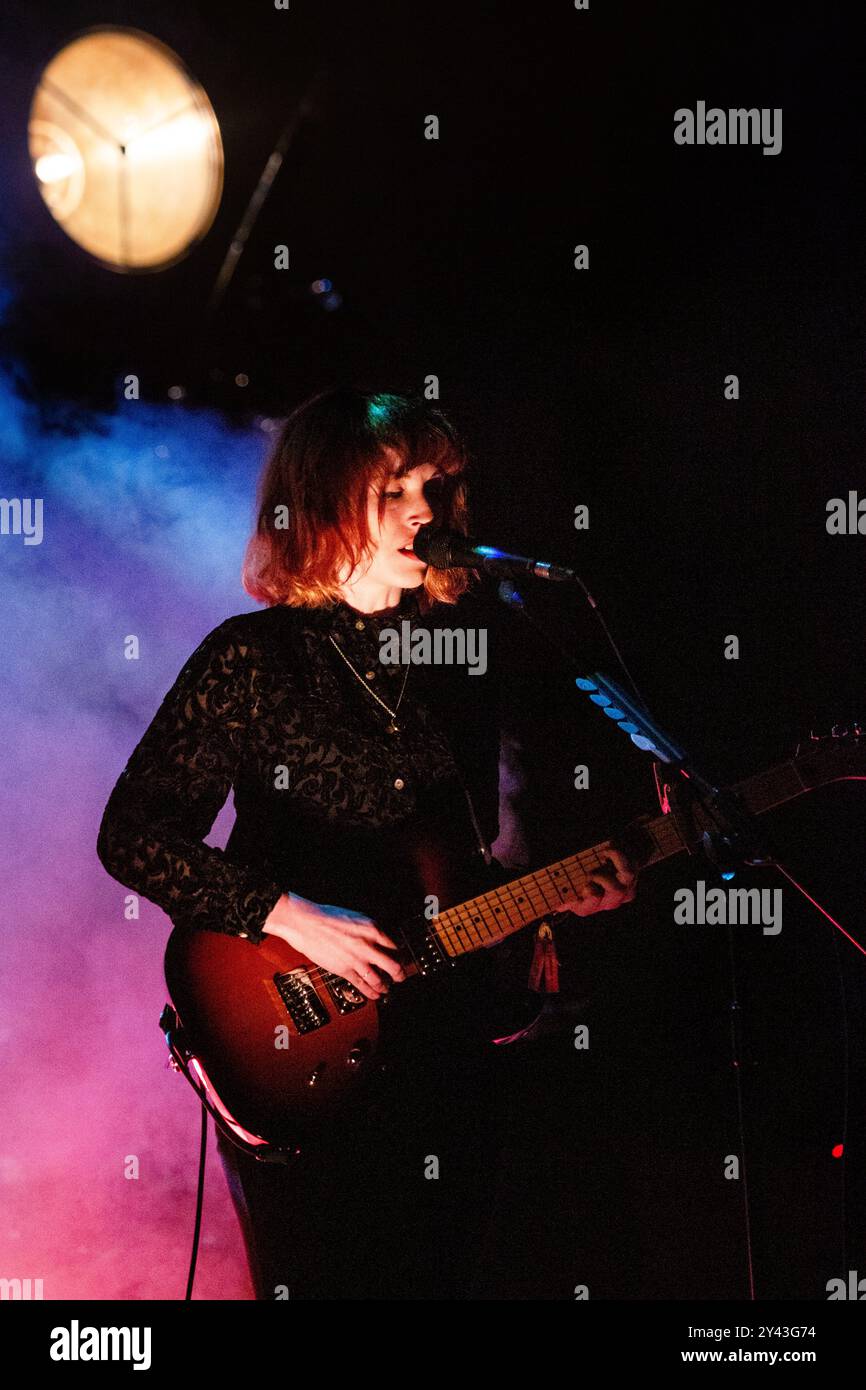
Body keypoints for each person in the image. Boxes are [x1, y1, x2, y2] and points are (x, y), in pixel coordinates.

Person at [96, 387, 638, 1299]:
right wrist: (289, 916)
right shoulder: (253, 658)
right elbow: (134, 836)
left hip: (445, 1055)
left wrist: (550, 898)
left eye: (433, 485)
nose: (425, 510)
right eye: (393, 489)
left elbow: (451, 873)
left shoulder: (460, 667)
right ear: (321, 498)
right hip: (297, 1048)